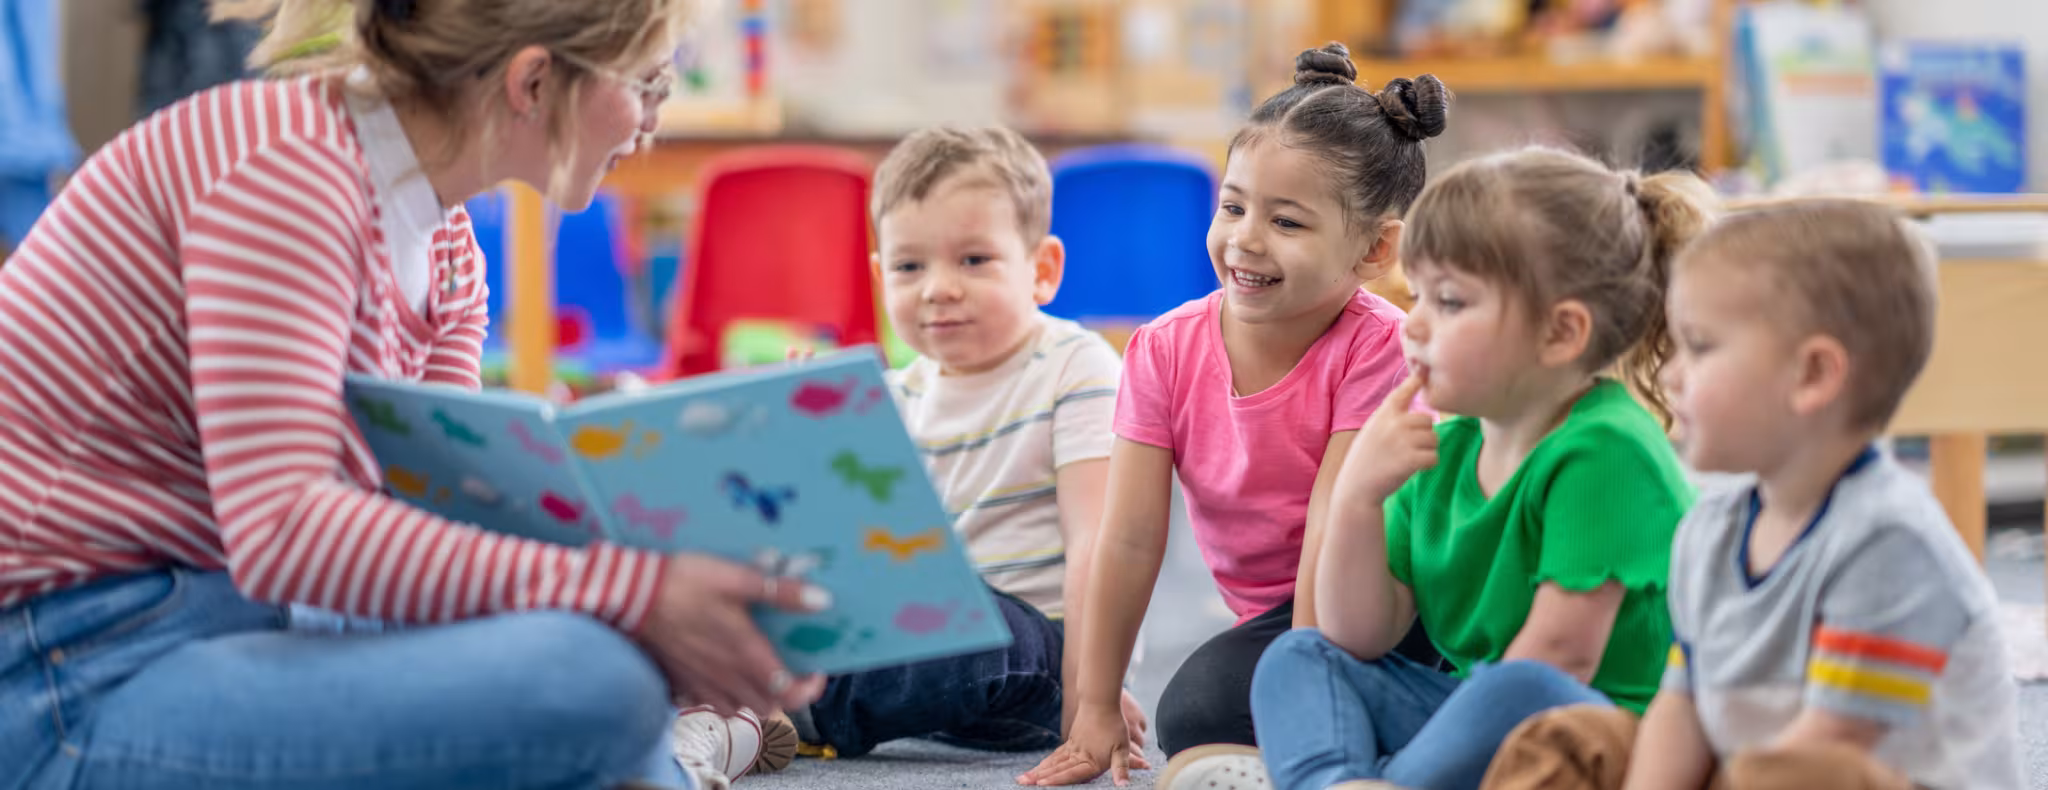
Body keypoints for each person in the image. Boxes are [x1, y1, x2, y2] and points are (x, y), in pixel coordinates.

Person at [0, 1, 829, 788]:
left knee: (601, 658)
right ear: (533, 82)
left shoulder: (449, 248)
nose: (656, 119)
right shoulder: (285, 166)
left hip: (227, 612)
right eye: (648, 81)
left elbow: (442, 514)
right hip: (64, 670)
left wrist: (662, 568)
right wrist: (635, 595)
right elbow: (284, 528)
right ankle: (668, 755)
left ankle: (652, 748)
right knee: (596, 682)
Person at [1481, 200, 2025, 790]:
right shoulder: (1710, 528)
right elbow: (1681, 707)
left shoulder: (1890, 542)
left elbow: (1827, 749)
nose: (1670, 375)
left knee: (1801, 775)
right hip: (1741, 769)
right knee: (1570, 739)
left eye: (1701, 347)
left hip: (1839, 772)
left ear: (1812, 375)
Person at [1020, 42, 1447, 788]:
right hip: (1280, 618)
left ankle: (1369, 741)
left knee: (1224, 698)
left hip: (1396, 604)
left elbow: (1336, 525)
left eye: (1287, 223)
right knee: (1199, 705)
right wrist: (1093, 702)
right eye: (1234, 206)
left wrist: (1306, 686)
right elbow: (1128, 539)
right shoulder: (1162, 349)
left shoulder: (1381, 347)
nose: (1245, 238)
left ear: (1375, 248)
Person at [1227, 147, 1715, 790]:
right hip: (1479, 722)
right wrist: (1357, 498)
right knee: (1300, 654)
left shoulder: (1609, 448)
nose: (1415, 323)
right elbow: (1358, 633)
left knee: (1520, 684)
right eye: (1418, 294)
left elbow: (1560, 663)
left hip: (1593, 743)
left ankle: (1380, 778)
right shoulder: (1443, 446)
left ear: (1560, 334)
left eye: (1451, 302)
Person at [761, 124, 1149, 769]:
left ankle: (778, 700)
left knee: (977, 626)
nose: (938, 287)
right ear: (882, 276)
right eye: (910, 267)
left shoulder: (1076, 366)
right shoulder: (889, 393)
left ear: (1042, 270)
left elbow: (1096, 547)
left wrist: (1091, 698)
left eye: (973, 260)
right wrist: (813, 454)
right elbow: (870, 558)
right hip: (927, 642)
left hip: (1042, 658)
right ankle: (754, 682)